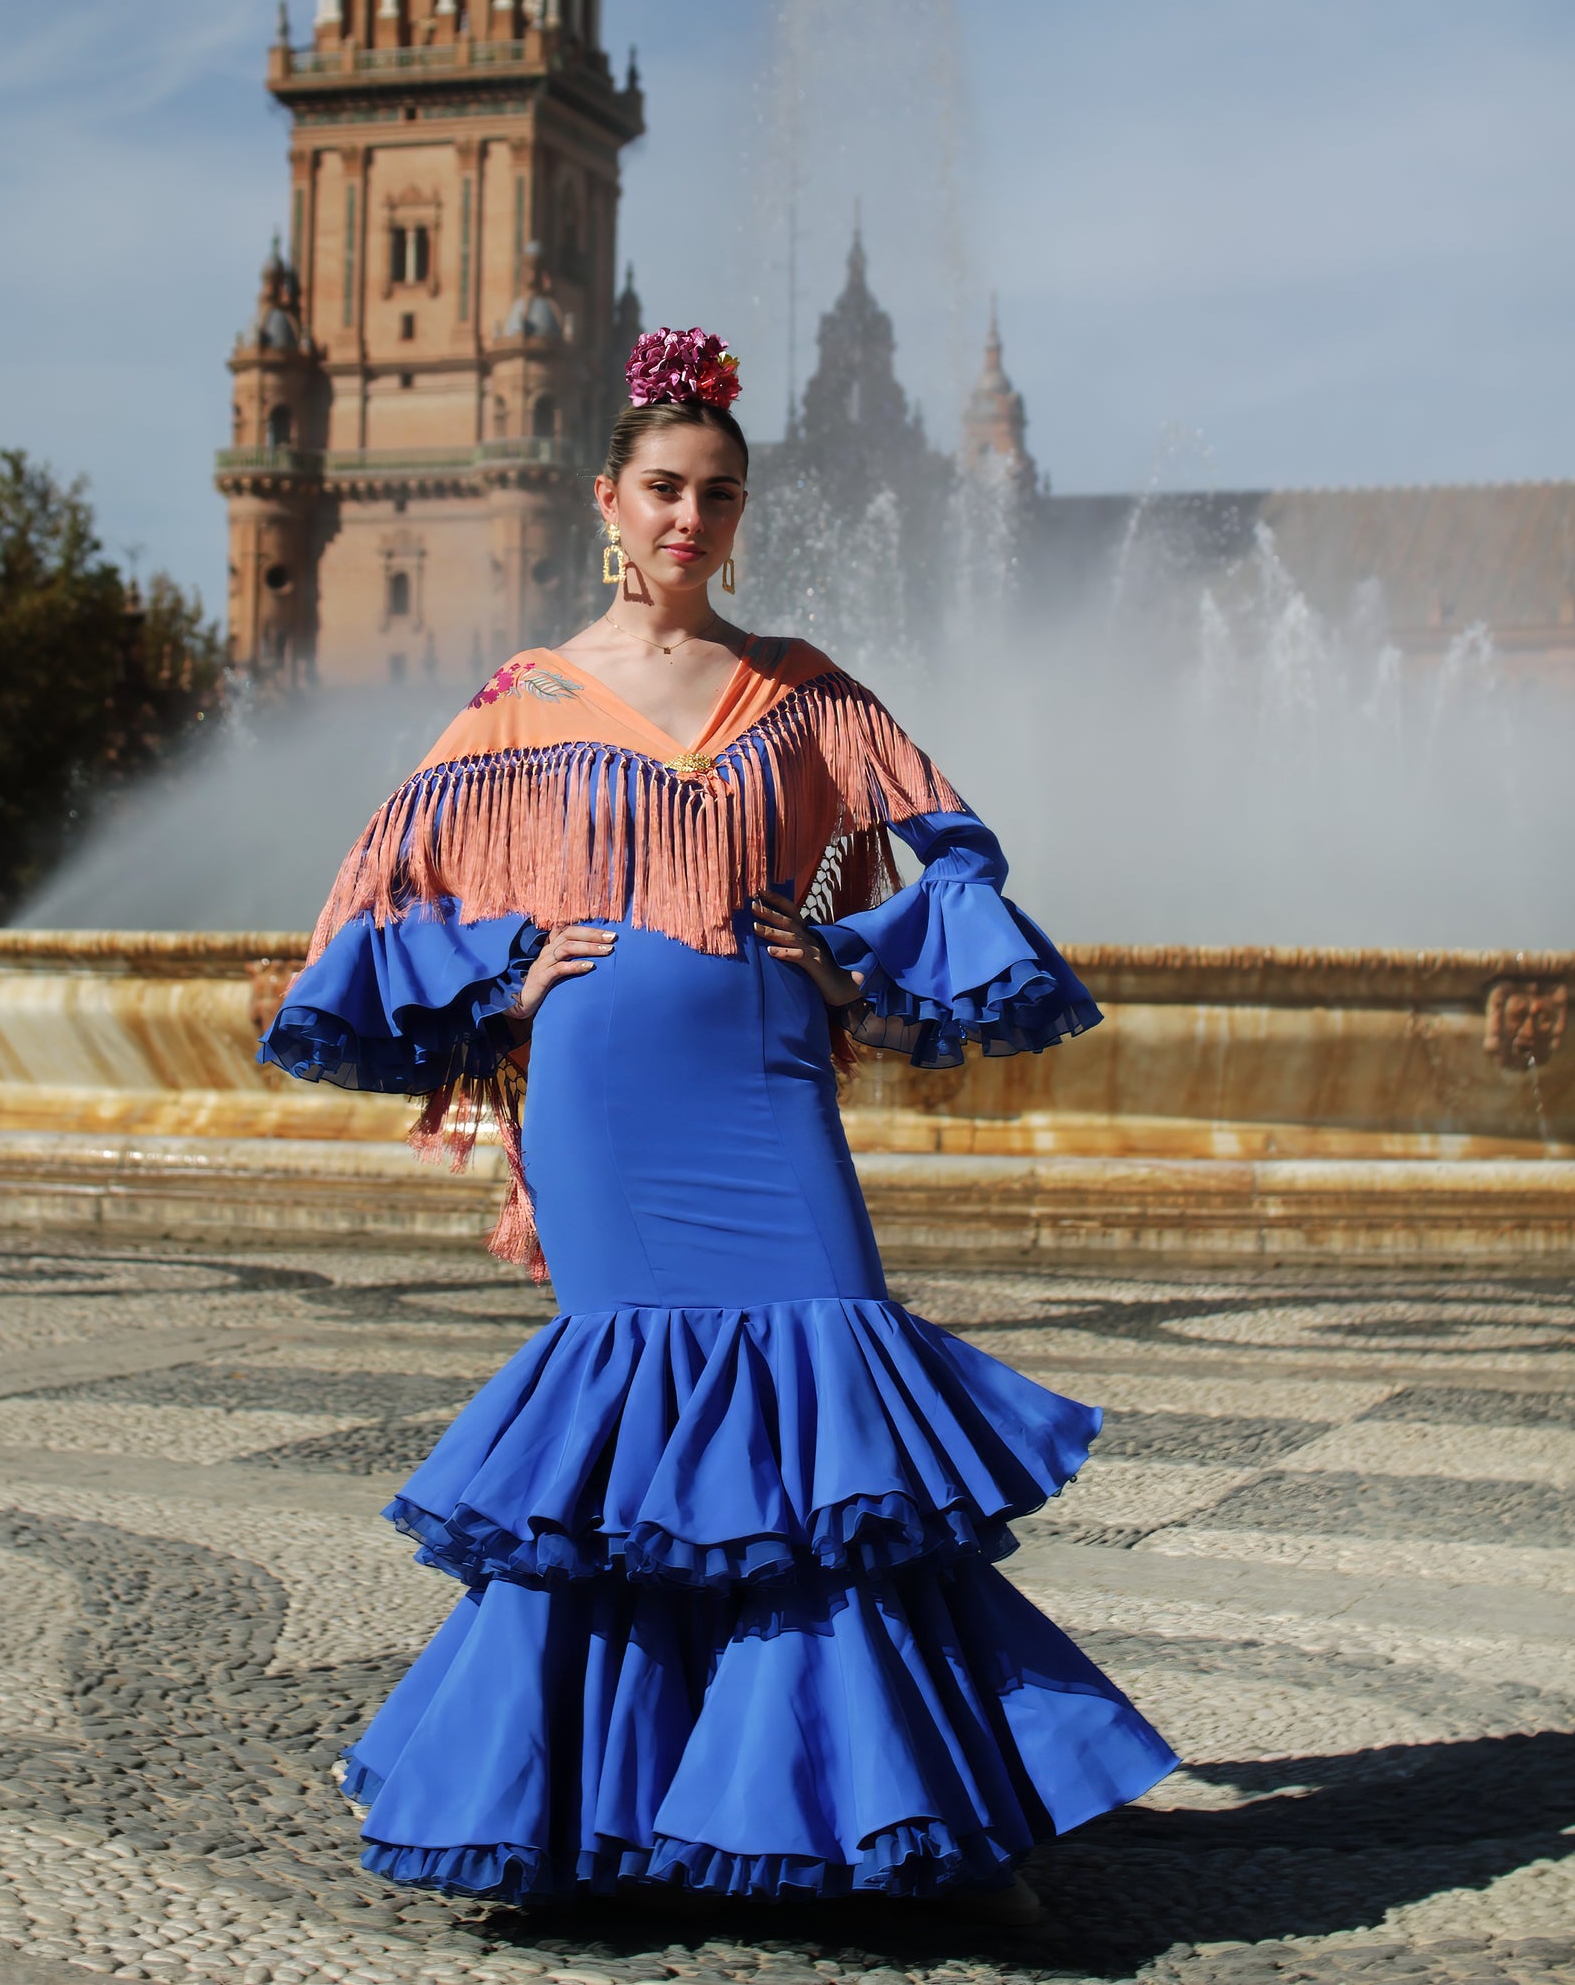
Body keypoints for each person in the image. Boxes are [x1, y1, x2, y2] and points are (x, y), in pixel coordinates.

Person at [259, 326, 1175, 1916]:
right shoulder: (523, 698)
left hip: (764, 1078)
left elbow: (956, 853)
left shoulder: (802, 687)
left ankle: (915, 1822)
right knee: (632, 1453)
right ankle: (588, 1816)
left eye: (720, 494)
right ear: (607, 501)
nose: (691, 517)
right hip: (603, 1095)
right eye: (666, 489)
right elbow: (380, 883)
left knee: (833, 1414)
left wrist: (848, 956)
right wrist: (512, 965)